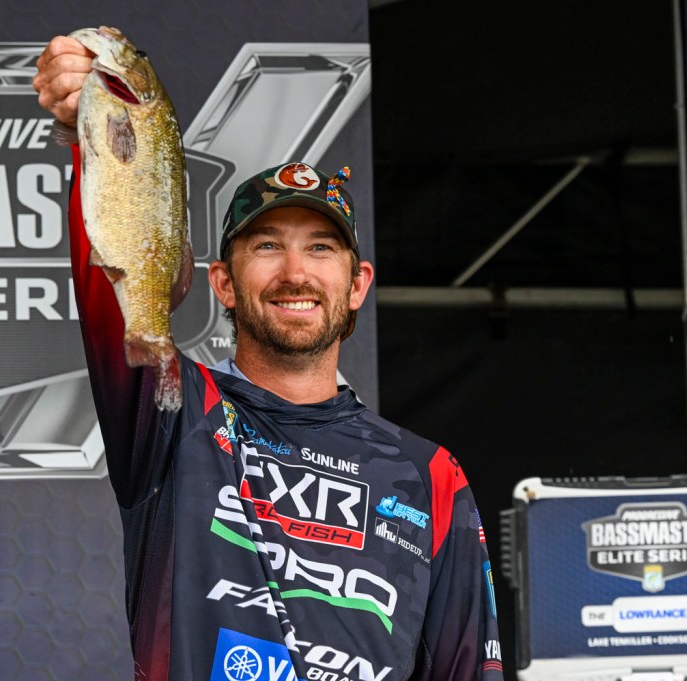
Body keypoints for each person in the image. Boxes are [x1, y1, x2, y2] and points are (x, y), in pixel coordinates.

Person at [34, 35, 503, 681]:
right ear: (224, 282)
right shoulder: (176, 413)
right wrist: (88, 130)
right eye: (266, 246)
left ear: (358, 284)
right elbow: (116, 277)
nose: (295, 273)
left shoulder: (431, 476)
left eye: (321, 248)